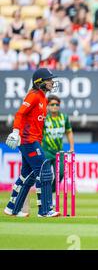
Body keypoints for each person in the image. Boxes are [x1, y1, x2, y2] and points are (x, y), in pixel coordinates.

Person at [4, 68, 60, 218]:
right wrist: (16, 131)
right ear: (39, 82)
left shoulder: (42, 97)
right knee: (44, 170)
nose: (52, 82)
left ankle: (12, 208)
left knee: (27, 175)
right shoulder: (34, 96)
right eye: (49, 80)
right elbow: (20, 113)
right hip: (28, 140)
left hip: (33, 140)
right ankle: (45, 210)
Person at [42, 95, 74, 207]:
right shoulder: (44, 117)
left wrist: (71, 147)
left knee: (60, 174)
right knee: (46, 176)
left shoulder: (64, 117)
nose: (55, 106)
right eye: (52, 104)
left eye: (57, 104)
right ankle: (45, 198)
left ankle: (50, 193)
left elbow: (69, 132)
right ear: (48, 106)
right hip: (46, 151)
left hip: (59, 152)